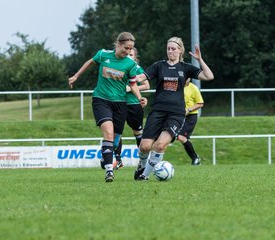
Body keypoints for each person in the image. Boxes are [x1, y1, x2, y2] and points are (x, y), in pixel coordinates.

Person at [68, 32, 146, 183]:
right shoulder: (103, 55)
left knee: (115, 139)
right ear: (118, 44)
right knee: (108, 133)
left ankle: (106, 156)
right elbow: (90, 62)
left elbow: (133, 83)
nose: (128, 52)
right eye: (126, 48)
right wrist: (76, 76)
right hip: (101, 100)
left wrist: (139, 97)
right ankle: (109, 170)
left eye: (131, 49)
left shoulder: (130, 64)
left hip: (120, 104)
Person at [134, 37, 214, 181]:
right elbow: (141, 77)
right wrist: (129, 74)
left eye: (173, 49)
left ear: (180, 50)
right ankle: (141, 166)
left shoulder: (186, 68)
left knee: (160, 145)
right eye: (168, 48)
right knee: (145, 146)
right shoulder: (159, 66)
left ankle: (144, 176)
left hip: (176, 114)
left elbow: (209, 76)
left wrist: (200, 59)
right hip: (157, 111)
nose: (170, 51)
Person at [113, 47, 150, 169]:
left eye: (131, 55)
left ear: (135, 58)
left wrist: (131, 89)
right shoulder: (119, 68)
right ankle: (118, 160)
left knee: (138, 132)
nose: (129, 56)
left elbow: (146, 85)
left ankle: (142, 161)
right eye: (127, 54)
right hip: (119, 103)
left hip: (134, 104)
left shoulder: (137, 69)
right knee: (116, 131)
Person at [177, 78, 204, 165]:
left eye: (187, 77)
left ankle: (195, 158)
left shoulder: (194, 88)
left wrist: (189, 110)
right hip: (177, 116)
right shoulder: (176, 86)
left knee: (181, 137)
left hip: (190, 117)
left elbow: (200, 103)